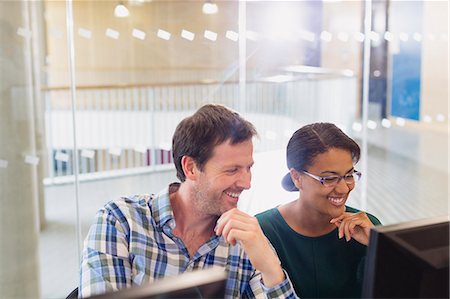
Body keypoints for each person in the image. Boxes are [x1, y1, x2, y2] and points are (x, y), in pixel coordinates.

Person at [79, 104, 297, 298]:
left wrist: (270, 267)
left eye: (248, 168)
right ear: (190, 168)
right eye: (232, 170)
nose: (246, 182)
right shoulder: (121, 221)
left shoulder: (245, 241)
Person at [256, 122, 381, 298]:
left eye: (349, 176)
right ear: (297, 177)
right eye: (329, 179)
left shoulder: (367, 228)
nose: (344, 188)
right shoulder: (261, 231)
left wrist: (379, 249)